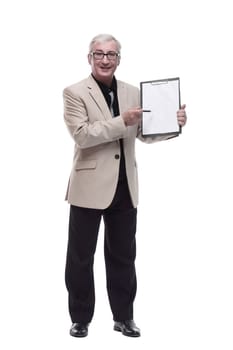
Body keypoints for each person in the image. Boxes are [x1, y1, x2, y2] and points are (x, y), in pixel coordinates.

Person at [63, 33, 187, 338]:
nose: (106, 60)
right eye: (99, 54)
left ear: (119, 58)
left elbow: (144, 133)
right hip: (89, 185)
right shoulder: (74, 92)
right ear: (89, 58)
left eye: (112, 55)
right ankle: (80, 318)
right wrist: (123, 121)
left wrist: (174, 125)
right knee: (80, 257)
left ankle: (124, 317)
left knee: (123, 256)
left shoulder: (133, 92)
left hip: (125, 186)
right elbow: (82, 134)